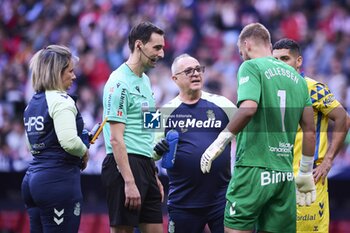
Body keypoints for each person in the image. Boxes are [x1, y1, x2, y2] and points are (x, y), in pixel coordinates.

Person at [200, 23, 317, 233]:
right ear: (269, 44)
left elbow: (248, 109)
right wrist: (306, 171)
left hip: (253, 169)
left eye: (240, 52)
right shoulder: (298, 80)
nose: (242, 56)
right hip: (284, 174)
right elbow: (309, 129)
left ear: (246, 44)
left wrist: (219, 141)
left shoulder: (251, 66)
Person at [153, 54, 236, 233]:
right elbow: (149, 153)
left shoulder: (223, 104)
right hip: (183, 202)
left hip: (222, 199)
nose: (195, 74)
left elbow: (246, 136)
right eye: (189, 71)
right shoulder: (163, 112)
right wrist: (157, 150)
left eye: (198, 69)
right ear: (174, 79)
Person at [272, 38, 349, 233]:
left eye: (285, 58)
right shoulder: (273, 92)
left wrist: (328, 161)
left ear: (299, 61)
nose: (280, 64)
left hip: (309, 177)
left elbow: (344, 119)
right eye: (276, 60)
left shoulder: (313, 88)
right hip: (278, 178)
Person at [101, 21, 165, 233]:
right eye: (157, 47)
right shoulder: (118, 82)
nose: (162, 53)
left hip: (146, 166)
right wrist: (129, 181)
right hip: (124, 166)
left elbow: (149, 130)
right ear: (139, 45)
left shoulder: (147, 82)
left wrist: (153, 174)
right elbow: (115, 139)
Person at [21, 45, 89, 233]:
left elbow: (31, 145)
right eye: (70, 71)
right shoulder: (62, 100)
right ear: (57, 73)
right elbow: (69, 142)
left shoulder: (32, 104)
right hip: (58, 182)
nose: (74, 76)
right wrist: (84, 151)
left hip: (32, 180)